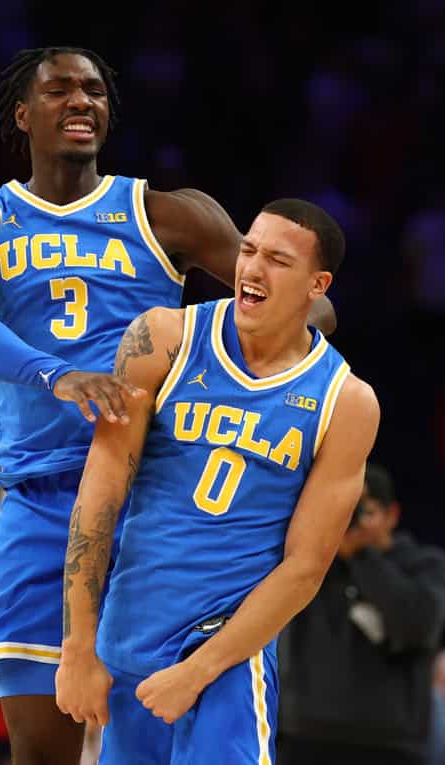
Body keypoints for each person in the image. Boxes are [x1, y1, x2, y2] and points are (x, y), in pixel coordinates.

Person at [0, 45, 336, 765]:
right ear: (24, 115)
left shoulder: (168, 214)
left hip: (158, 500)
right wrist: (60, 375)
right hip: (44, 498)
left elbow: (311, 309)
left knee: (161, 738)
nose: (81, 101)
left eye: (93, 90)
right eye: (59, 90)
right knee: (41, 749)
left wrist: (202, 340)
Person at [55, 198, 380, 763]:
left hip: (227, 652)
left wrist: (200, 670)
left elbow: (305, 568)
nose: (252, 268)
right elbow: (100, 494)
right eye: (249, 250)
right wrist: (77, 644)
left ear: (316, 284)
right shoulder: (164, 339)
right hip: (129, 636)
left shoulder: (346, 402)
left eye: (278, 260)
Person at [278, 463, 445, 765]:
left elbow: (417, 626)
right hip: (305, 736)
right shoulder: (308, 565)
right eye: (343, 509)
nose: (351, 520)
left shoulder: (425, 565)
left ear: (392, 515)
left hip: (390, 743)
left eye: (365, 510)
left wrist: (361, 556)